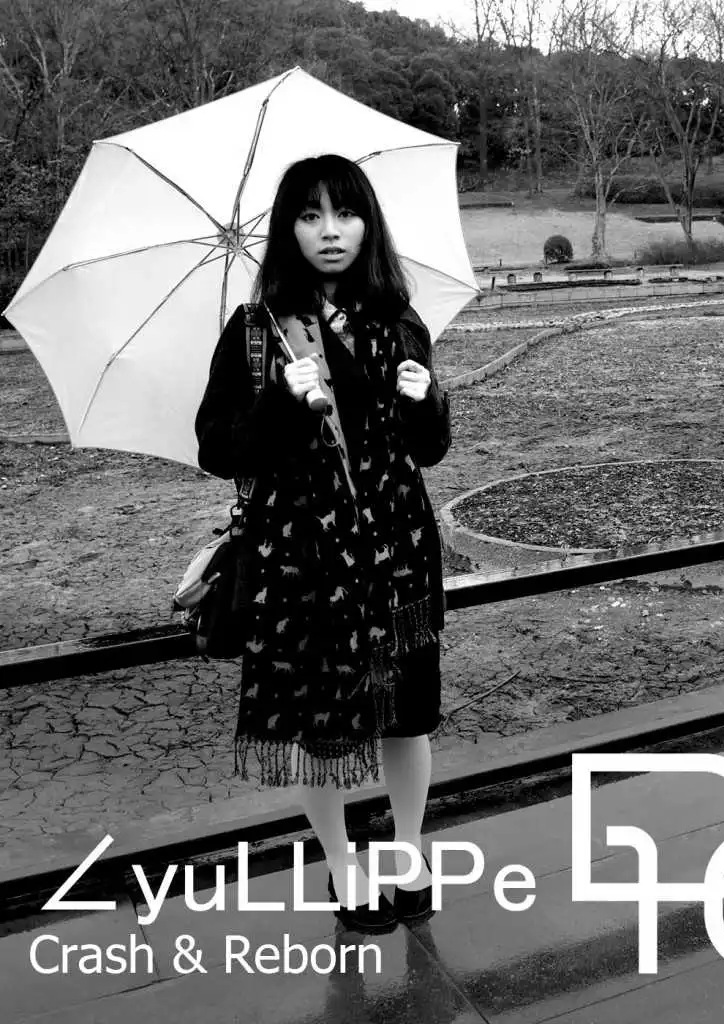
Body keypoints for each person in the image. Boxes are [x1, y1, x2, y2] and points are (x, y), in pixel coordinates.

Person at [194, 154, 451, 933]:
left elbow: (429, 449)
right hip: (303, 562)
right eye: (310, 215)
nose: (330, 231)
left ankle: (408, 852)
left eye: (345, 212)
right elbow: (216, 449)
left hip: (398, 555)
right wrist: (279, 400)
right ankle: (343, 866)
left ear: (368, 224)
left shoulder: (400, 322)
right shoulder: (256, 332)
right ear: (289, 230)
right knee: (324, 729)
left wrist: (427, 400)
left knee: (408, 716)